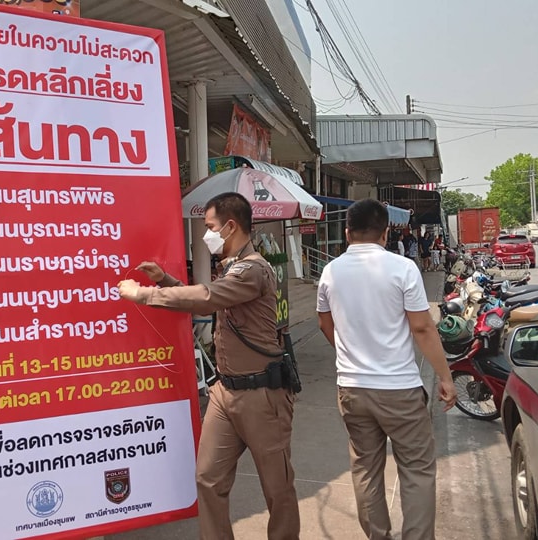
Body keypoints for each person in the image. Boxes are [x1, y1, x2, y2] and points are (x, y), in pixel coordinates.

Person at [117, 192, 300, 540]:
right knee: (208, 479)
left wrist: (143, 294)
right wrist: (164, 280)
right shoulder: (232, 269)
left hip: (262, 396)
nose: (206, 235)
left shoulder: (253, 269)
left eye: (210, 226)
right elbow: (209, 298)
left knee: (278, 490)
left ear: (230, 226)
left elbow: (207, 297)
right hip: (225, 393)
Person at [316, 199, 457, 540]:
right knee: (417, 471)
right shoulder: (402, 268)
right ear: (385, 233)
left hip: (352, 389)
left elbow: (324, 322)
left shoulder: (331, 271)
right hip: (399, 389)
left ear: (347, 232)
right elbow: (422, 327)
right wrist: (445, 376)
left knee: (365, 469)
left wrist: (348, 352)